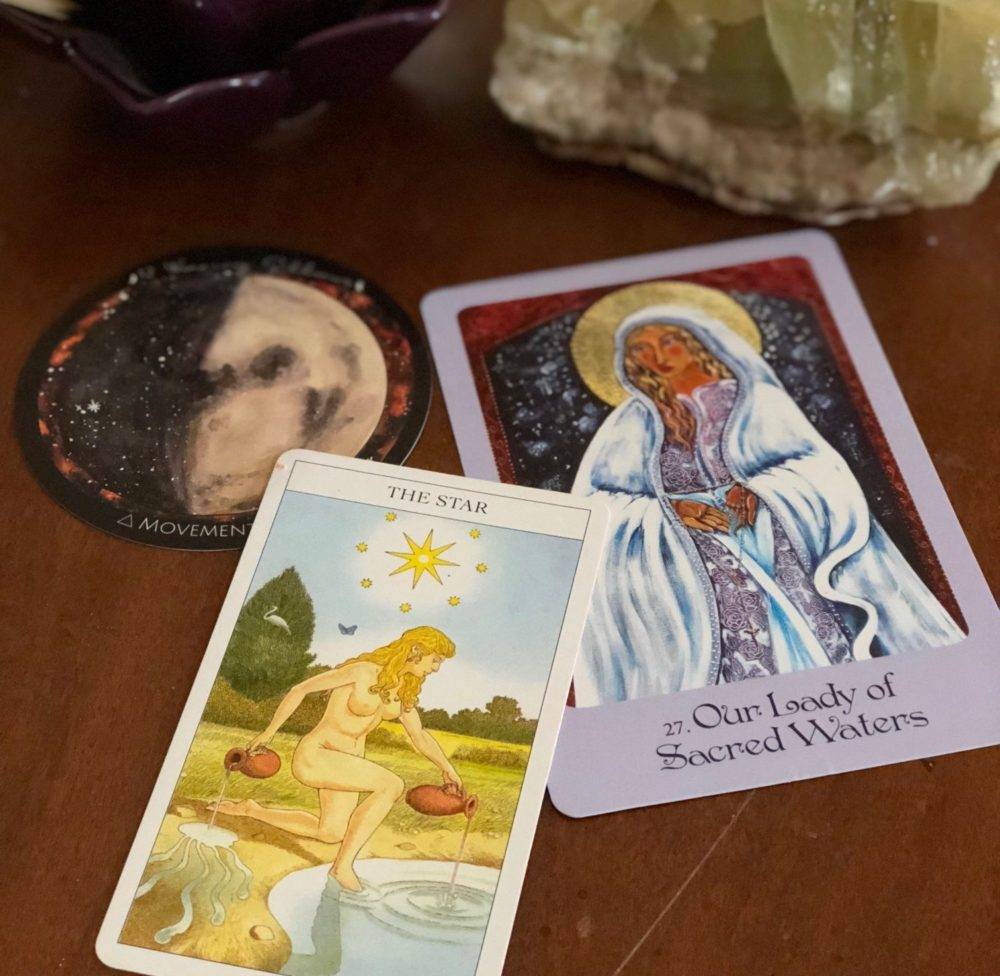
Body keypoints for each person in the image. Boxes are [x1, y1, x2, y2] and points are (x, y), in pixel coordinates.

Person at [572, 301, 963, 705]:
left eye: (669, 341)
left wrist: (761, 489)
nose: (657, 356)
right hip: (685, 548)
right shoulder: (630, 423)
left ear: (697, 344)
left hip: (773, 529)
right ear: (629, 364)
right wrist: (670, 512)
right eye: (641, 350)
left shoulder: (759, 400)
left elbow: (817, 465)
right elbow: (598, 499)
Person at [211, 625, 461, 891]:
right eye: (435, 660)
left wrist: (447, 767)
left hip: (346, 765)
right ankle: (342, 867)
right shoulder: (362, 672)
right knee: (391, 785)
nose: (436, 668)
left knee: (331, 832)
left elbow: (419, 735)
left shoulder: (402, 691)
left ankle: (251, 810)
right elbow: (300, 689)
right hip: (318, 755)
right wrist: (268, 733)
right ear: (416, 650)